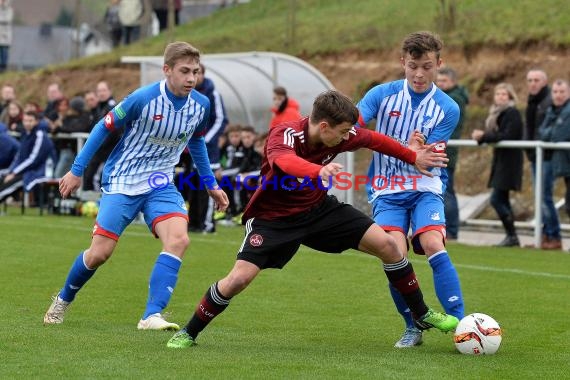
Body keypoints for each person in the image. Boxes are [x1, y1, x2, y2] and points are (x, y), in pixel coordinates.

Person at [166, 90, 459, 349]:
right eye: (343, 131)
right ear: (323, 126)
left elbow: (375, 140)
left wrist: (412, 156)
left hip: (319, 211)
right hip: (274, 219)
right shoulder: (284, 134)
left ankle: (420, 314)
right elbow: (284, 161)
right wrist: (315, 171)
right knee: (238, 279)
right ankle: (189, 333)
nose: (347, 136)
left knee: (389, 246)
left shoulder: (342, 133)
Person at [43, 41, 229, 330]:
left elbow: (197, 141)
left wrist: (211, 184)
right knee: (99, 254)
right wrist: (77, 170)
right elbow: (102, 127)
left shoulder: (201, 105)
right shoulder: (142, 98)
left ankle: (151, 315)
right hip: (123, 180)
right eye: (184, 71)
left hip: (160, 184)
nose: (191, 78)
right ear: (167, 70)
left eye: (195, 71)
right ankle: (64, 298)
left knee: (179, 240)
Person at [356, 31, 464, 348]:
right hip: (387, 189)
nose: (419, 74)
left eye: (427, 66)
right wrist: (408, 150)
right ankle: (412, 327)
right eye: (413, 65)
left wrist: (420, 154)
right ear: (403, 62)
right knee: (394, 251)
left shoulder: (449, 108)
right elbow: (354, 129)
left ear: (439, 65)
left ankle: (463, 324)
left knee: (433, 242)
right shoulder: (380, 95)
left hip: (425, 186)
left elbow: (429, 161)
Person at [472, 83, 524, 247]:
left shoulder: (512, 113)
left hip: (510, 161)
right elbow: (495, 135)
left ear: (510, 97)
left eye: (504, 94)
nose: (500, 97)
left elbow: (507, 135)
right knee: (503, 199)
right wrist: (482, 137)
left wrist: (484, 136)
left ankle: (512, 235)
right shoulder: (495, 114)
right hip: (500, 159)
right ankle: (512, 237)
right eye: (498, 94)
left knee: (496, 199)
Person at [187, 63, 228, 233]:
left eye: (197, 73)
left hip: (208, 151)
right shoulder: (188, 93)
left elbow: (221, 120)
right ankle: (194, 222)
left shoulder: (214, 94)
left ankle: (207, 224)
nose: (194, 77)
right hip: (192, 150)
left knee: (208, 187)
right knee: (193, 188)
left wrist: (204, 140)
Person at [525, 69, 561, 249]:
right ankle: (546, 235)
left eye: (536, 80)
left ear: (544, 82)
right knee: (540, 197)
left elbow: (545, 131)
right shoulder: (533, 101)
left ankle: (553, 236)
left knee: (544, 197)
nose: (533, 83)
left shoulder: (547, 102)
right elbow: (530, 128)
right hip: (535, 156)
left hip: (546, 156)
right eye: (530, 80)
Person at [436, 67, 469, 240]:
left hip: (445, 153)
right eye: (439, 81)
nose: (440, 85)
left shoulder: (453, 100)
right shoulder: (449, 98)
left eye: (444, 81)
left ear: (453, 81)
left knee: (446, 191)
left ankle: (452, 230)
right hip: (442, 152)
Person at [0, 111, 56, 203]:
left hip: (39, 170)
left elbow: (33, 160)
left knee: (11, 182)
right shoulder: (25, 133)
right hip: (26, 169)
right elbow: (19, 156)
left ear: (36, 122)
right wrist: (11, 171)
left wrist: (14, 173)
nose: (27, 123)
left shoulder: (40, 135)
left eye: (30, 121)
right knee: (3, 176)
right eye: (25, 120)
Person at [539, 79, 570, 243]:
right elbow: (542, 134)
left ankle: (554, 235)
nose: (558, 95)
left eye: (562, 92)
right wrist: (552, 132)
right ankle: (551, 235)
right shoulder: (552, 110)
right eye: (555, 92)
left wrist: (551, 133)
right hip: (562, 162)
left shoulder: (568, 111)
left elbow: (558, 135)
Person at [0, 0, 13, 73]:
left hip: (5, 34)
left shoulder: (9, 10)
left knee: (4, 51)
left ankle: (3, 67)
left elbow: (8, 19)